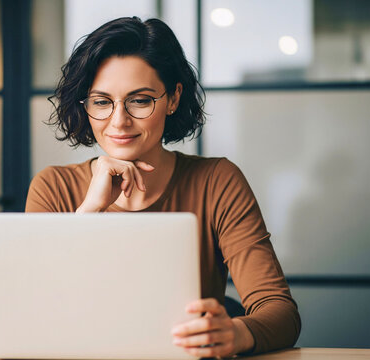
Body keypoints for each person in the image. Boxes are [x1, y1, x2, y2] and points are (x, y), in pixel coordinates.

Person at [26, 16, 300, 356]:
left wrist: (234, 333)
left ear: (172, 99)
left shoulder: (217, 181)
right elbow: (36, 312)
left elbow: (280, 312)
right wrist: (89, 213)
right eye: (101, 102)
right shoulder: (54, 187)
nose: (118, 121)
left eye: (140, 100)